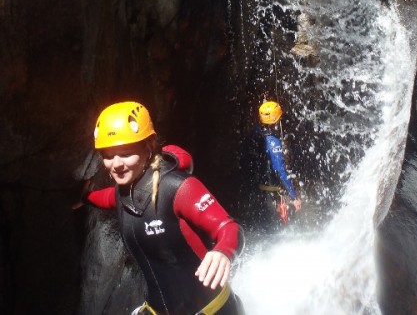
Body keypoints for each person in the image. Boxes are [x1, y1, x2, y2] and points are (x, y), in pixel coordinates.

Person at [77, 101, 245, 315]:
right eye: (108, 155)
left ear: (148, 145)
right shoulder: (124, 192)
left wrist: (223, 251)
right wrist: (85, 197)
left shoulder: (178, 188)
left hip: (212, 310)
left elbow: (229, 227)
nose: (116, 164)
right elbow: (107, 198)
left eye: (126, 153)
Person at [239, 100, 301, 233]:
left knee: (263, 224)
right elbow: (279, 170)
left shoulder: (255, 132)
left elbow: (244, 153)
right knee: (279, 228)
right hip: (272, 188)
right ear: (275, 121)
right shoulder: (273, 142)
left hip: (257, 184)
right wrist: (293, 196)